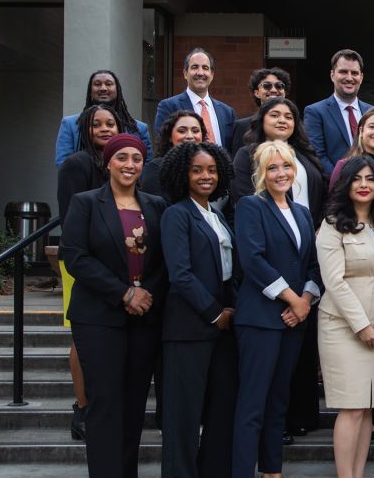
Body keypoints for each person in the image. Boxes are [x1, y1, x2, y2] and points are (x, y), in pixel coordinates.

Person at [61, 133, 167, 477]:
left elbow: (164, 261)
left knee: (134, 407)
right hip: (98, 318)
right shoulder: (86, 203)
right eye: (121, 158)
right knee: (105, 404)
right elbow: (75, 257)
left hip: (143, 318)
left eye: (136, 159)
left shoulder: (156, 205)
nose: (130, 165)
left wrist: (145, 292)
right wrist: (124, 293)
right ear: (108, 162)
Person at [231, 140, 322, 478]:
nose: (280, 173)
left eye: (285, 165)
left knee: (278, 403)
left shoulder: (302, 212)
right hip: (260, 320)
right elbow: (253, 261)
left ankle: (272, 471)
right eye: (272, 167)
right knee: (252, 405)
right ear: (261, 173)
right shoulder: (250, 207)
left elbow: (313, 266)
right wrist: (292, 300)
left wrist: (306, 303)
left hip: (293, 322)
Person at [316, 156, 374, 478]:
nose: (364, 185)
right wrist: (362, 326)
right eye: (357, 179)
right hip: (342, 327)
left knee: (367, 409)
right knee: (351, 408)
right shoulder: (332, 223)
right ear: (346, 184)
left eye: (370, 179)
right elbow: (334, 281)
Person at [158, 141, 237, 478]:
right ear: (182, 174)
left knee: (222, 409)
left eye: (211, 169)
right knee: (183, 416)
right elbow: (181, 273)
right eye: (197, 170)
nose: (206, 176)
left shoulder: (216, 213)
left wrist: (230, 309)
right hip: (190, 327)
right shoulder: (176, 214)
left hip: (223, 325)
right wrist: (214, 313)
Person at [56, 103, 120, 442]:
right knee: (81, 338)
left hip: (117, 263)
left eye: (111, 123)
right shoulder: (76, 164)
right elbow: (70, 221)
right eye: (98, 124)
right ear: (86, 129)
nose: (105, 129)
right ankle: (82, 406)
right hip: (81, 263)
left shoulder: (121, 164)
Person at [232, 97, 326, 226]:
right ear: (262, 119)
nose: (282, 120)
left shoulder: (306, 154)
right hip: (270, 231)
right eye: (275, 115)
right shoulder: (247, 155)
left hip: (310, 234)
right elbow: (243, 197)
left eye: (288, 117)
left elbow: (322, 193)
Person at [54, 70, 153, 168]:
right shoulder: (70, 124)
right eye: (97, 84)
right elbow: (63, 164)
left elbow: (146, 166)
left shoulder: (139, 128)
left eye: (109, 84)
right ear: (90, 91)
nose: (103, 88)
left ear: (117, 89)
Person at [304, 49, 374, 176]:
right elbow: (317, 155)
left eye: (354, 73)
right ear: (332, 75)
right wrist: (343, 182)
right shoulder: (315, 112)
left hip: (371, 186)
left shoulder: (372, 112)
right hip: (335, 189)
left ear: (361, 77)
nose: (349, 78)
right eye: (343, 72)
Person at [155, 48, 236, 148]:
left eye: (205, 68)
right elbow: (163, 146)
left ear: (212, 75)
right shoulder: (168, 106)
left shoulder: (227, 112)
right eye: (195, 67)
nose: (200, 73)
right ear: (185, 73)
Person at [141, 110, 206, 198]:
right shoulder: (156, 168)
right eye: (182, 131)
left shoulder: (209, 166)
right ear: (170, 137)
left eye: (195, 131)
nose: (190, 136)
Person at [230, 67, 290, 156]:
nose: (273, 90)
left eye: (279, 86)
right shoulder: (242, 126)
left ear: (284, 92)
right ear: (256, 93)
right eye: (267, 86)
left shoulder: (293, 125)